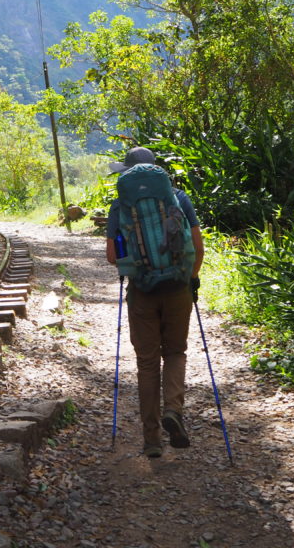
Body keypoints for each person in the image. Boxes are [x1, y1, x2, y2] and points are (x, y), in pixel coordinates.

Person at [106, 146, 204, 458]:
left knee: (147, 362)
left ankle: (151, 440)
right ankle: (173, 410)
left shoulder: (119, 207)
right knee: (175, 352)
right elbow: (197, 246)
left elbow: (112, 256)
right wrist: (192, 276)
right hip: (178, 287)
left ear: (127, 173)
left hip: (142, 292)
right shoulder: (179, 198)